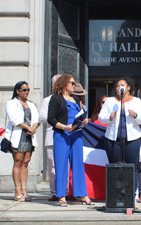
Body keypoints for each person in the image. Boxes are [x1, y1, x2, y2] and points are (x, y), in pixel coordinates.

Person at [98, 76, 141, 194]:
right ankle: (115, 195)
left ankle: (131, 195)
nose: (119, 88)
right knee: (114, 167)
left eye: (122, 85)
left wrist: (135, 115)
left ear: (128, 87)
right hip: (113, 139)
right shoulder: (110, 101)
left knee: (132, 167)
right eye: (117, 86)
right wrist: (109, 117)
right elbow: (101, 118)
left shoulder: (136, 101)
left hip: (132, 139)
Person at [47, 74, 92, 206]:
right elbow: (51, 119)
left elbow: (81, 115)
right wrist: (65, 127)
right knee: (61, 165)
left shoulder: (76, 100)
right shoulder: (56, 99)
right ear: (64, 84)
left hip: (77, 134)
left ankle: (82, 195)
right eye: (72, 83)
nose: (74, 85)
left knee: (78, 164)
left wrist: (85, 121)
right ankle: (61, 195)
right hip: (62, 134)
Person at [5, 81, 40, 202]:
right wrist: (28, 127)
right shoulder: (11, 103)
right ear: (17, 91)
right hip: (18, 135)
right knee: (18, 161)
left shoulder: (31, 104)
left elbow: (36, 118)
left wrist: (33, 128)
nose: (26, 92)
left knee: (26, 162)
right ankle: (17, 190)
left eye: (28, 90)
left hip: (29, 136)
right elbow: (14, 120)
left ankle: (24, 189)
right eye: (24, 90)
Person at [39, 74, 62, 201]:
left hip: (66, 135)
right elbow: (42, 117)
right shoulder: (47, 100)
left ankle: (65, 191)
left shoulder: (69, 99)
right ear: (53, 85)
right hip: (52, 135)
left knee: (66, 165)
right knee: (53, 166)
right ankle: (54, 192)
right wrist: (56, 117)